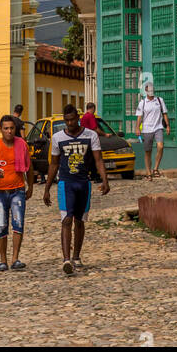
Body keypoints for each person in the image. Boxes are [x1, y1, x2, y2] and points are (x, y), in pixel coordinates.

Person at [43, 103, 109, 275]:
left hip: (83, 183)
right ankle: (66, 259)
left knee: (79, 221)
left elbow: (98, 160)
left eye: (72, 120)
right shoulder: (58, 138)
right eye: (67, 120)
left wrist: (105, 179)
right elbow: (54, 164)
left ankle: (76, 256)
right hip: (66, 184)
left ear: (78, 119)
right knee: (66, 220)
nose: (70, 123)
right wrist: (47, 188)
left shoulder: (91, 135)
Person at [0, 115, 34, 272]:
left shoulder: (22, 145)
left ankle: (15, 259)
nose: (9, 131)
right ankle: (3, 260)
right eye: (6, 128)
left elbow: (29, 167)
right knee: (1, 225)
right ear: (0, 130)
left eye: (12, 128)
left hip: (17, 191)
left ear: (15, 130)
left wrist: (30, 187)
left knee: (18, 224)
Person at [135, 83, 170, 180]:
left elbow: (164, 113)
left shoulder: (159, 100)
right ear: (146, 91)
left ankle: (155, 168)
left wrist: (167, 125)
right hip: (147, 129)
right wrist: (137, 128)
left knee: (160, 146)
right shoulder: (142, 102)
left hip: (158, 127)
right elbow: (139, 117)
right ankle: (148, 172)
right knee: (148, 152)